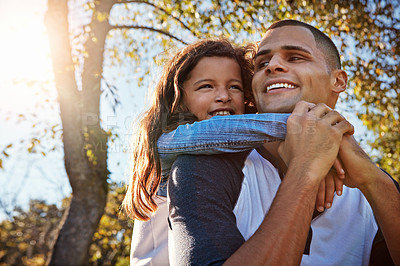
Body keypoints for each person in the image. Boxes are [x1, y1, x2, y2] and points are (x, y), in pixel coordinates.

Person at [168, 20, 400, 265]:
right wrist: (306, 169)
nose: (273, 66)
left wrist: (375, 180)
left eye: (295, 57)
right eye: (262, 63)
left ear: (338, 81)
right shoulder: (204, 167)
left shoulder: (373, 188)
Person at [123, 38, 344, 265]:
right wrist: (313, 131)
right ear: (179, 102)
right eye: (206, 86)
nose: (224, 96)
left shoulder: (235, 156)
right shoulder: (170, 143)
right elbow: (220, 131)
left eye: (234, 87)